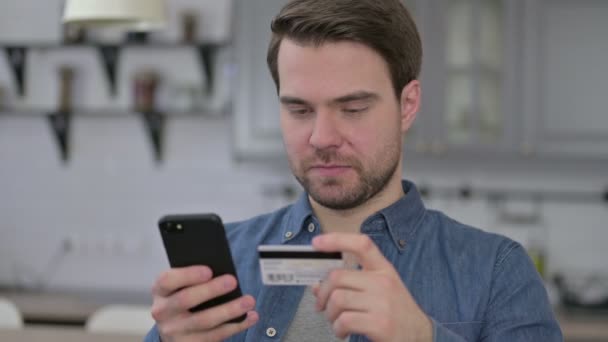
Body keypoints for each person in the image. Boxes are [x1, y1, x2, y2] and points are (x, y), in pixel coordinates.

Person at [145, 0, 563, 341]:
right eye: (299, 109)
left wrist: (423, 337)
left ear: (408, 104)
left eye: (353, 108)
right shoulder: (227, 260)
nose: (322, 137)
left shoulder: (497, 272)